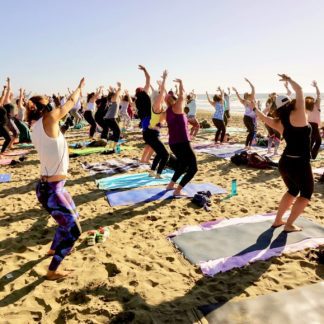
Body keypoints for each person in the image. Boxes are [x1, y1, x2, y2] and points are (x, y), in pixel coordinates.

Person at [27, 77, 85, 280]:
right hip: (52, 190)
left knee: (72, 220)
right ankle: (52, 270)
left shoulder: (36, 126)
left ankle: (53, 250)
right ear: (46, 107)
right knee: (75, 231)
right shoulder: (49, 120)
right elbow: (69, 103)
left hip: (52, 187)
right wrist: (79, 89)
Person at [254, 74, 313, 232]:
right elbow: (299, 90)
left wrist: (255, 107)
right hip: (299, 162)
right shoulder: (299, 113)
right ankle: (289, 224)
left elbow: (262, 117)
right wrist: (290, 80)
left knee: (293, 190)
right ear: (289, 103)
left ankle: (278, 220)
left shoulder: (278, 122)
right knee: (306, 193)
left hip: (285, 163)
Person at [166, 79, 198, 196]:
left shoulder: (169, 110)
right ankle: (177, 191)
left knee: (183, 164)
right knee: (193, 168)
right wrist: (181, 84)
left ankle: (171, 185)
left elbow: (181, 96)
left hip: (174, 143)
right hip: (182, 142)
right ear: (175, 100)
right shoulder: (177, 108)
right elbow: (182, 95)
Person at [143, 70, 169, 178]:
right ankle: (158, 174)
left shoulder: (160, 106)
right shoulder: (156, 106)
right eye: (160, 96)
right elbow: (163, 93)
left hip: (152, 133)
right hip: (150, 133)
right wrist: (164, 79)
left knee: (160, 153)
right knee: (165, 155)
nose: (162, 97)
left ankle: (153, 172)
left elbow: (165, 94)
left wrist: (161, 85)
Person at [135, 65, 154, 163]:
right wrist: (145, 70)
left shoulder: (137, 100)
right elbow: (148, 79)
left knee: (149, 138)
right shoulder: (144, 94)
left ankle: (144, 158)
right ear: (142, 90)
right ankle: (144, 159)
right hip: (148, 118)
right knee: (152, 140)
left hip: (143, 120)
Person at [232, 78, 257, 150]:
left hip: (246, 118)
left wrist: (236, 91)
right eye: (248, 95)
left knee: (251, 132)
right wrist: (249, 82)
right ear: (247, 96)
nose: (250, 95)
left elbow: (253, 88)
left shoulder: (245, 101)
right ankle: (248, 146)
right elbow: (253, 88)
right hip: (248, 118)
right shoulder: (249, 100)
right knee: (252, 132)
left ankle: (247, 145)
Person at [103, 83, 122, 151]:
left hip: (109, 118)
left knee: (115, 131)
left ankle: (111, 146)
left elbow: (117, 95)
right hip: (110, 119)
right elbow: (117, 94)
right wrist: (119, 87)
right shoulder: (113, 99)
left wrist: (113, 90)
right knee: (118, 131)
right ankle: (113, 147)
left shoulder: (112, 99)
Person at [305, 81, 322, 159]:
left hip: (309, 125)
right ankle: (310, 156)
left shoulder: (306, 108)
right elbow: (318, 95)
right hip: (313, 125)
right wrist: (316, 87)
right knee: (314, 141)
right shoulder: (316, 105)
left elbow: (318, 95)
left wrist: (316, 87)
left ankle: (312, 156)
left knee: (316, 141)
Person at [0, 85, 13, 154]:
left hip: (3, 124)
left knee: (8, 138)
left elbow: (3, 96)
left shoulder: (0, 105)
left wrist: (4, 89)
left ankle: (2, 151)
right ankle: (2, 152)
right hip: (2, 125)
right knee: (8, 139)